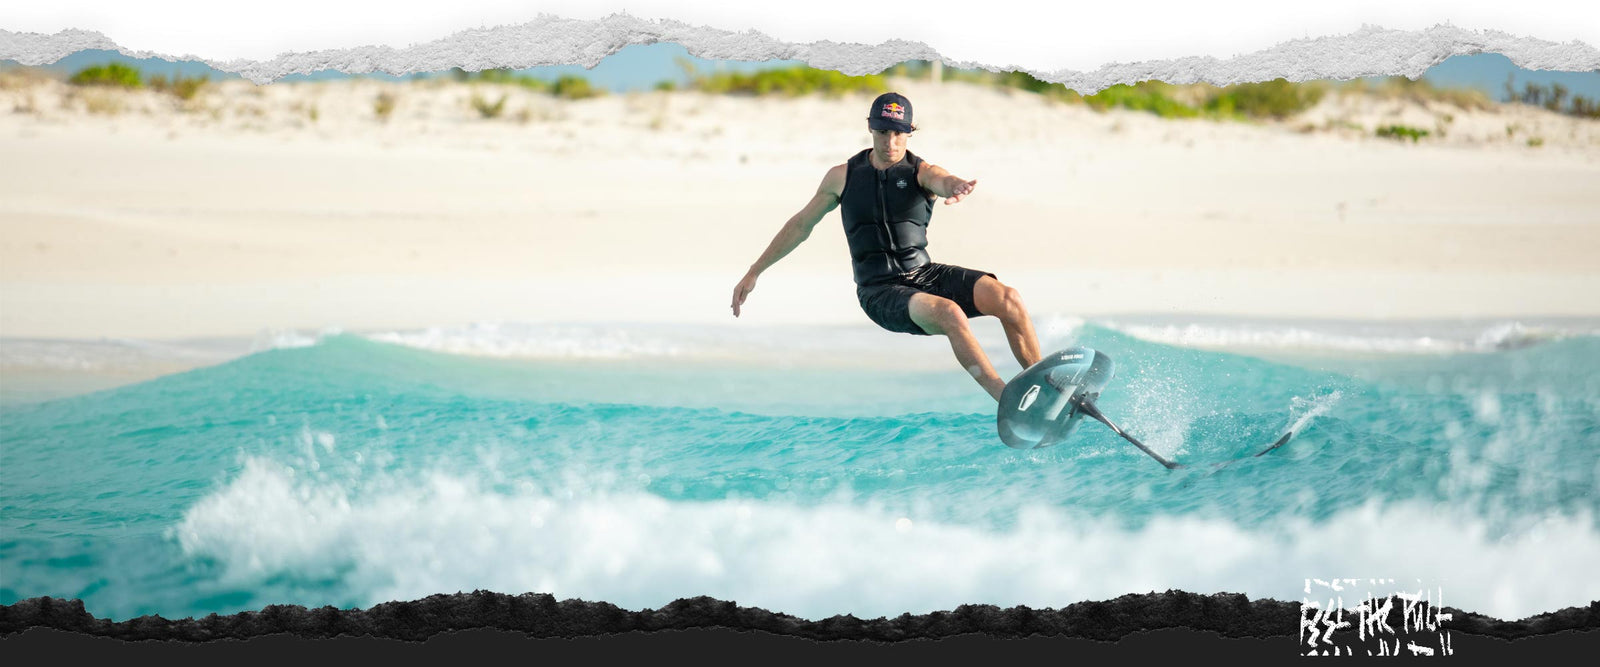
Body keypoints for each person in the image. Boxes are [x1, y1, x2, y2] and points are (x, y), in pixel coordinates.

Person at [730, 92, 1042, 401]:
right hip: (879, 291)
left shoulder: (921, 171)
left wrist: (956, 185)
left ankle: (1045, 385)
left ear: (909, 132)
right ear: (870, 128)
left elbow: (942, 179)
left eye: (897, 133)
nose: (889, 142)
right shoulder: (843, 177)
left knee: (1008, 298)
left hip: (924, 274)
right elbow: (800, 225)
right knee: (950, 313)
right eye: (882, 132)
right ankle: (1006, 399)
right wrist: (754, 271)